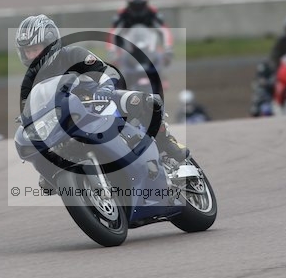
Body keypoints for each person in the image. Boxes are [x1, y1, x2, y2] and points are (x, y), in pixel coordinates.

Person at [15, 14, 188, 194]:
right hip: (67, 122)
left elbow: (106, 71)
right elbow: (30, 109)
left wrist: (105, 88)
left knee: (145, 102)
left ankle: (167, 142)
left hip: (99, 101)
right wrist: (26, 120)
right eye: (27, 51)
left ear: (50, 43)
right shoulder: (31, 80)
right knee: (46, 167)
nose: (31, 55)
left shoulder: (74, 54)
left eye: (35, 49)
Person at [107, 0, 174, 65]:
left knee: (160, 58)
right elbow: (113, 33)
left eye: (140, 5)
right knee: (117, 64)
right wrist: (112, 51)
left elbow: (164, 31)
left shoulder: (152, 12)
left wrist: (168, 48)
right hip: (127, 47)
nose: (138, 9)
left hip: (149, 46)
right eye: (134, 6)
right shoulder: (122, 14)